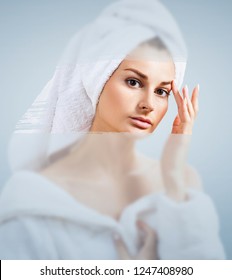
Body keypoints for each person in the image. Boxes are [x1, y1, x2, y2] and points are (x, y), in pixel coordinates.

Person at [0, 0, 226, 259]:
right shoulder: (32, 199)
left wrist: (173, 177)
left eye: (162, 91)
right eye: (133, 82)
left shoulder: (182, 182)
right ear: (97, 79)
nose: (148, 105)